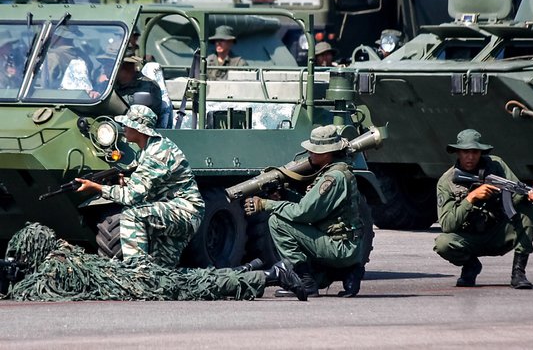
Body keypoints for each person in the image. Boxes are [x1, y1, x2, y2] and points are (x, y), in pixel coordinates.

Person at [4, 222, 307, 302]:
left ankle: (271, 274)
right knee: (193, 278)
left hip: (138, 284)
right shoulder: (64, 255)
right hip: (133, 274)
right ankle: (245, 269)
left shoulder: (54, 268)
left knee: (195, 287)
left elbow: (30, 290)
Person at [74, 105, 204, 269]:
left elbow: (131, 196)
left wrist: (97, 188)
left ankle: (137, 272)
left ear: (139, 129)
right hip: (170, 210)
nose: (124, 128)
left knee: (131, 215)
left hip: (185, 212)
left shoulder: (157, 152)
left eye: (128, 124)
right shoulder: (146, 150)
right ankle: (147, 282)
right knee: (161, 271)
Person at [244, 125, 366, 297]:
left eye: (314, 151)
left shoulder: (333, 178)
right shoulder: (337, 172)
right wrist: (283, 196)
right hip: (347, 245)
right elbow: (315, 207)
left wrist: (266, 204)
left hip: (340, 247)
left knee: (277, 222)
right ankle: (348, 271)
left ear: (326, 153)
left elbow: (303, 212)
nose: (309, 154)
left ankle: (305, 282)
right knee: (320, 278)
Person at [434, 129, 533, 289]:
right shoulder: (447, 182)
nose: (470, 157)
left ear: (481, 152)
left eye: (475, 152)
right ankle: (471, 266)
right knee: (443, 243)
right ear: (457, 152)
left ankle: (518, 273)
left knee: (528, 210)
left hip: (499, 234)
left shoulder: (496, 166)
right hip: (468, 239)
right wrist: (471, 198)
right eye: (465, 152)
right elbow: (447, 225)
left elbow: (515, 193)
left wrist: (528, 196)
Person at [114, 55, 163, 121]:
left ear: (128, 68)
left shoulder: (148, 87)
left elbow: (142, 118)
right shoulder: (110, 84)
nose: (105, 70)